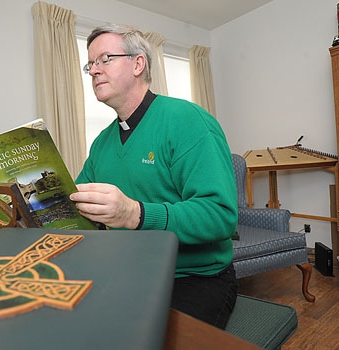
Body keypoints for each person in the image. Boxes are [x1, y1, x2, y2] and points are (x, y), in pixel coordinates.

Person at [69, 24, 238, 329]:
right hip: (128, 270)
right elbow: (79, 205)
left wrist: (135, 213)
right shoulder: (102, 143)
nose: (93, 70)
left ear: (138, 63)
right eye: (90, 63)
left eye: (104, 59)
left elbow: (220, 215)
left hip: (194, 277)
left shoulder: (188, 121)